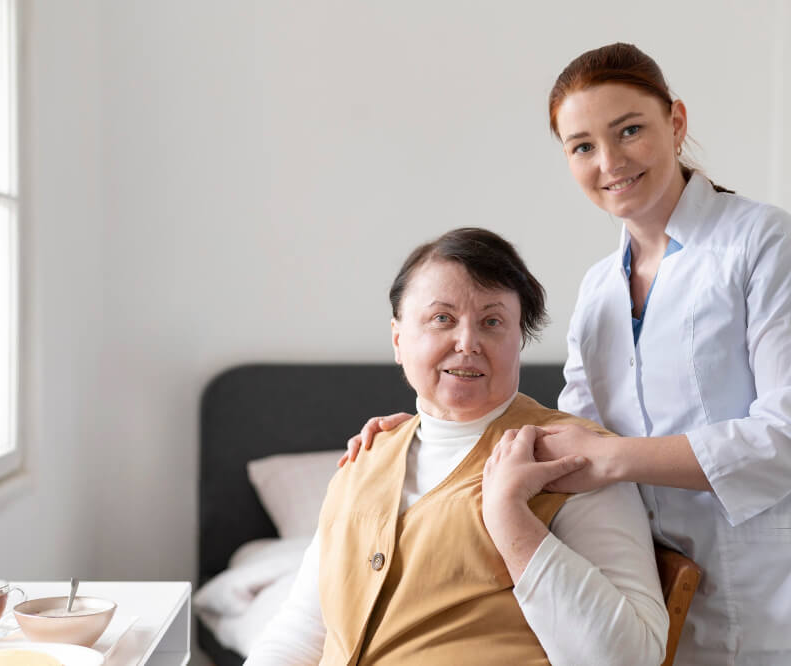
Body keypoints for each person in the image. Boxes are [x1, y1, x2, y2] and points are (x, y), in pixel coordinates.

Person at [342, 44, 791, 665]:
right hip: (650, 587)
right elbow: (561, 438)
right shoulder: (597, 291)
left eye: (630, 130)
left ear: (675, 123)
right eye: (582, 146)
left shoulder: (762, 243)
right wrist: (431, 434)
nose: (609, 161)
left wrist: (613, 460)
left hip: (774, 587)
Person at [245, 228, 668, 665]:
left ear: (516, 343)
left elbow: (630, 658)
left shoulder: (575, 459)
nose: (467, 343)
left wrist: (512, 523)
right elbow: (301, 633)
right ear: (397, 339)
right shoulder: (364, 459)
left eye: (492, 322)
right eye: (442, 319)